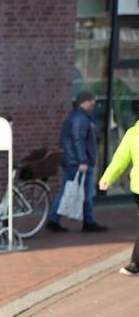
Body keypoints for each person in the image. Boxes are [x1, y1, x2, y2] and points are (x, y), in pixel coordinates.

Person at [48, 90, 108, 233]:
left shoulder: (79, 117)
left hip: (73, 161)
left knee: (69, 191)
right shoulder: (80, 119)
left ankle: (56, 219)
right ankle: (87, 221)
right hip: (78, 163)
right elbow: (78, 141)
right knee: (81, 193)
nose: (93, 103)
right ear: (85, 102)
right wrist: (83, 161)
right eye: (91, 100)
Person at [99, 119, 139, 275]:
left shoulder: (132, 133)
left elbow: (119, 159)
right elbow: (120, 159)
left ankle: (135, 264)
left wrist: (107, 178)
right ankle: (135, 264)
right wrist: (107, 178)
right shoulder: (133, 134)